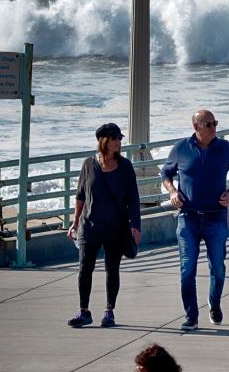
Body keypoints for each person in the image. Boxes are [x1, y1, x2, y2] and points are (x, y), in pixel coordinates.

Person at [161, 110, 229, 331]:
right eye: (208, 124)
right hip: (187, 218)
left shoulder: (225, 148)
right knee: (187, 269)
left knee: (217, 267)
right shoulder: (181, 148)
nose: (213, 127)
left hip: (216, 218)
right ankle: (191, 316)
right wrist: (172, 191)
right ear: (196, 126)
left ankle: (214, 302)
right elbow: (165, 174)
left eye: (215, 123)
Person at [66, 123, 141, 328]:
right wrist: (74, 223)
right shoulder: (89, 164)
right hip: (89, 226)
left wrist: (135, 226)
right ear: (104, 141)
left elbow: (133, 199)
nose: (119, 142)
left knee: (112, 269)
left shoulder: (125, 167)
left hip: (116, 228)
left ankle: (109, 311)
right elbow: (80, 195)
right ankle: (84, 311)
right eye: (115, 138)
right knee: (84, 269)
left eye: (119, 138)